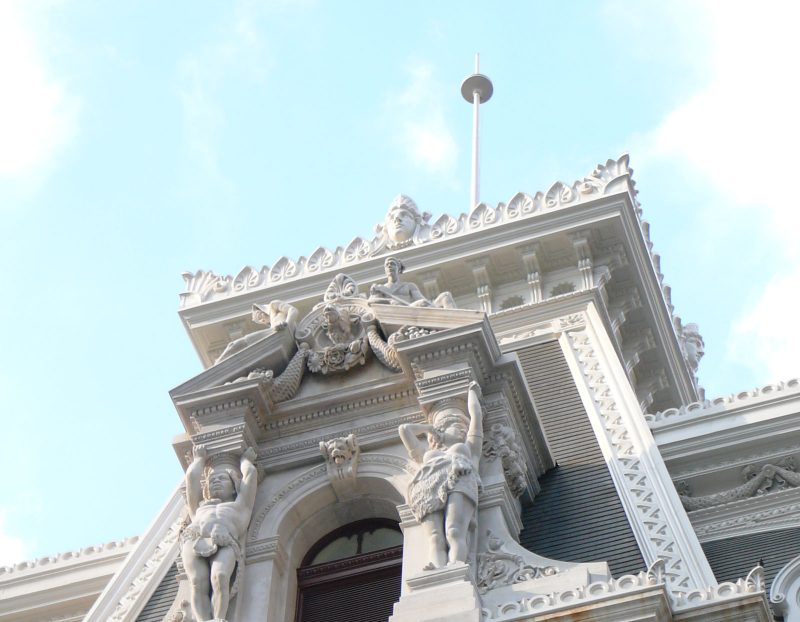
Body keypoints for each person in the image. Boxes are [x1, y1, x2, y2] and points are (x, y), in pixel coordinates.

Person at [399, 382, 483, 570]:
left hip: (460, 480)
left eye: (463, 425)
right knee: (435, 536)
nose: (461, 428)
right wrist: (429, 428)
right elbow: (404, 430)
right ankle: (437, 570)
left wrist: (471, 393)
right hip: (428, 486)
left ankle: (456, 566)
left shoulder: (469, 448)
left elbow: (476, 416)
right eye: (455, 425)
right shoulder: (425, 454)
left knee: (453, 531)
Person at [181, 446, 258, 622]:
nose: (215, 482)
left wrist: (245, 460)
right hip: (195, 538)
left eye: (222, 478)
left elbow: (250, 476)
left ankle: (218, 618)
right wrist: (199, 459)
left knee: (220, 576)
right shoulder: (199, 508)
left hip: (225, 539)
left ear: (233, 487)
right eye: (212, 480)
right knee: (197, 581)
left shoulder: (241, 505)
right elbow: (191, 480)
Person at [369, 257, 455, 308]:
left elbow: (421, 300)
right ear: (385, 270)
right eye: (387, 265)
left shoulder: (409, 286)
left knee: (446, 295)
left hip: (411, 308)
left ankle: (454, 322)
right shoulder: (380, 288)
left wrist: (430, 305)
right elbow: (370, 302)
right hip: (396, 313)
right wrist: (390, 301)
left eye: (392, 264)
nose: (389, 266)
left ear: (398, 269)